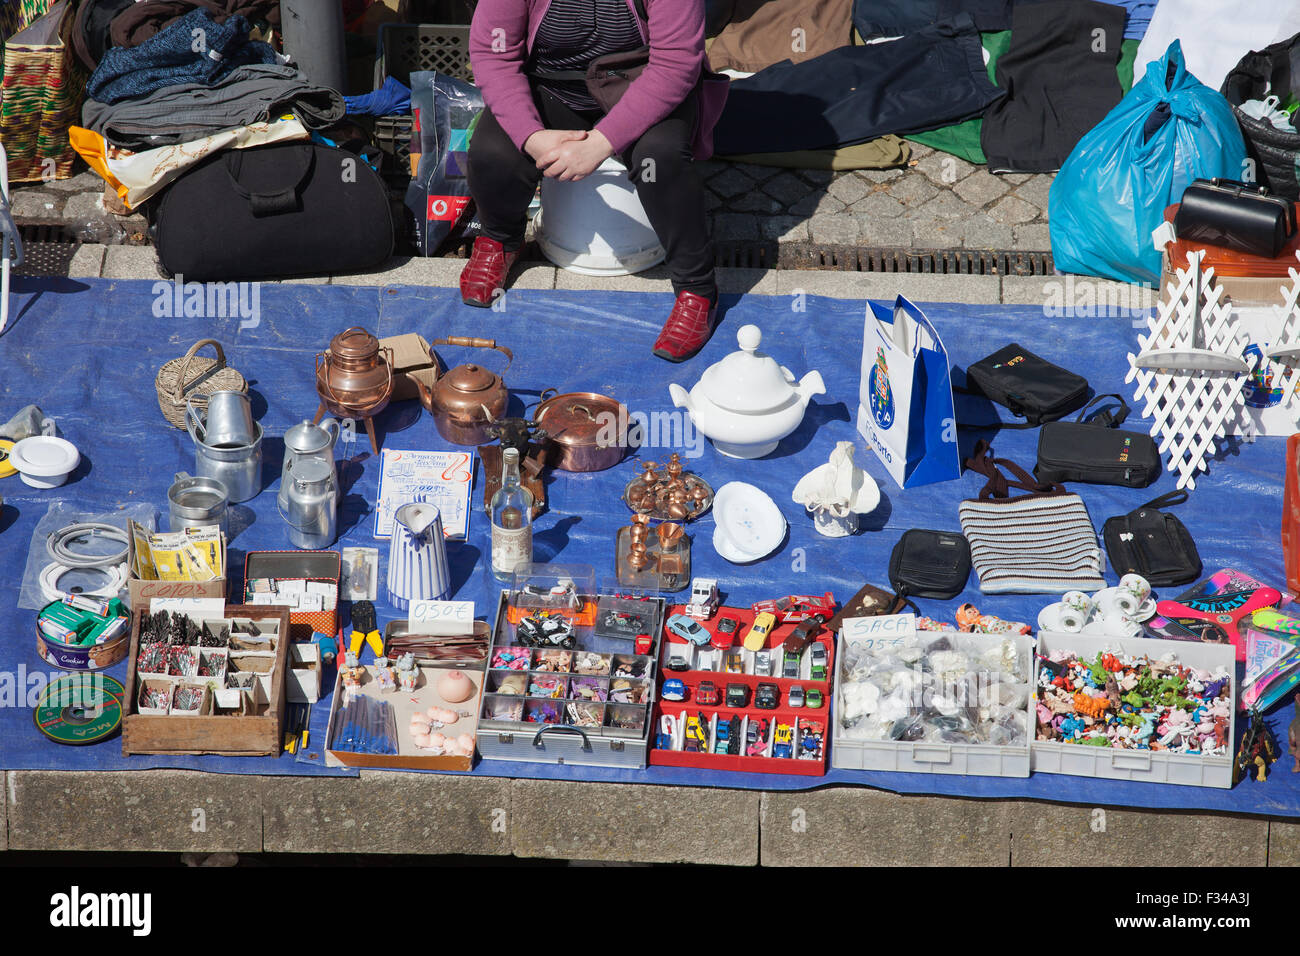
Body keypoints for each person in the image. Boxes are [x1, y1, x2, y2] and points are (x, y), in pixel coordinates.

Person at [464, 0, 727, 362]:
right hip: (551, 87)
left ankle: (697, 288)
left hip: (640, 86)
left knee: (659, 160)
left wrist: (602, 143)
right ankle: (500, 240)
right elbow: (493, 54)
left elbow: (677, 62)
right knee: (493, 150)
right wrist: (532, 137)